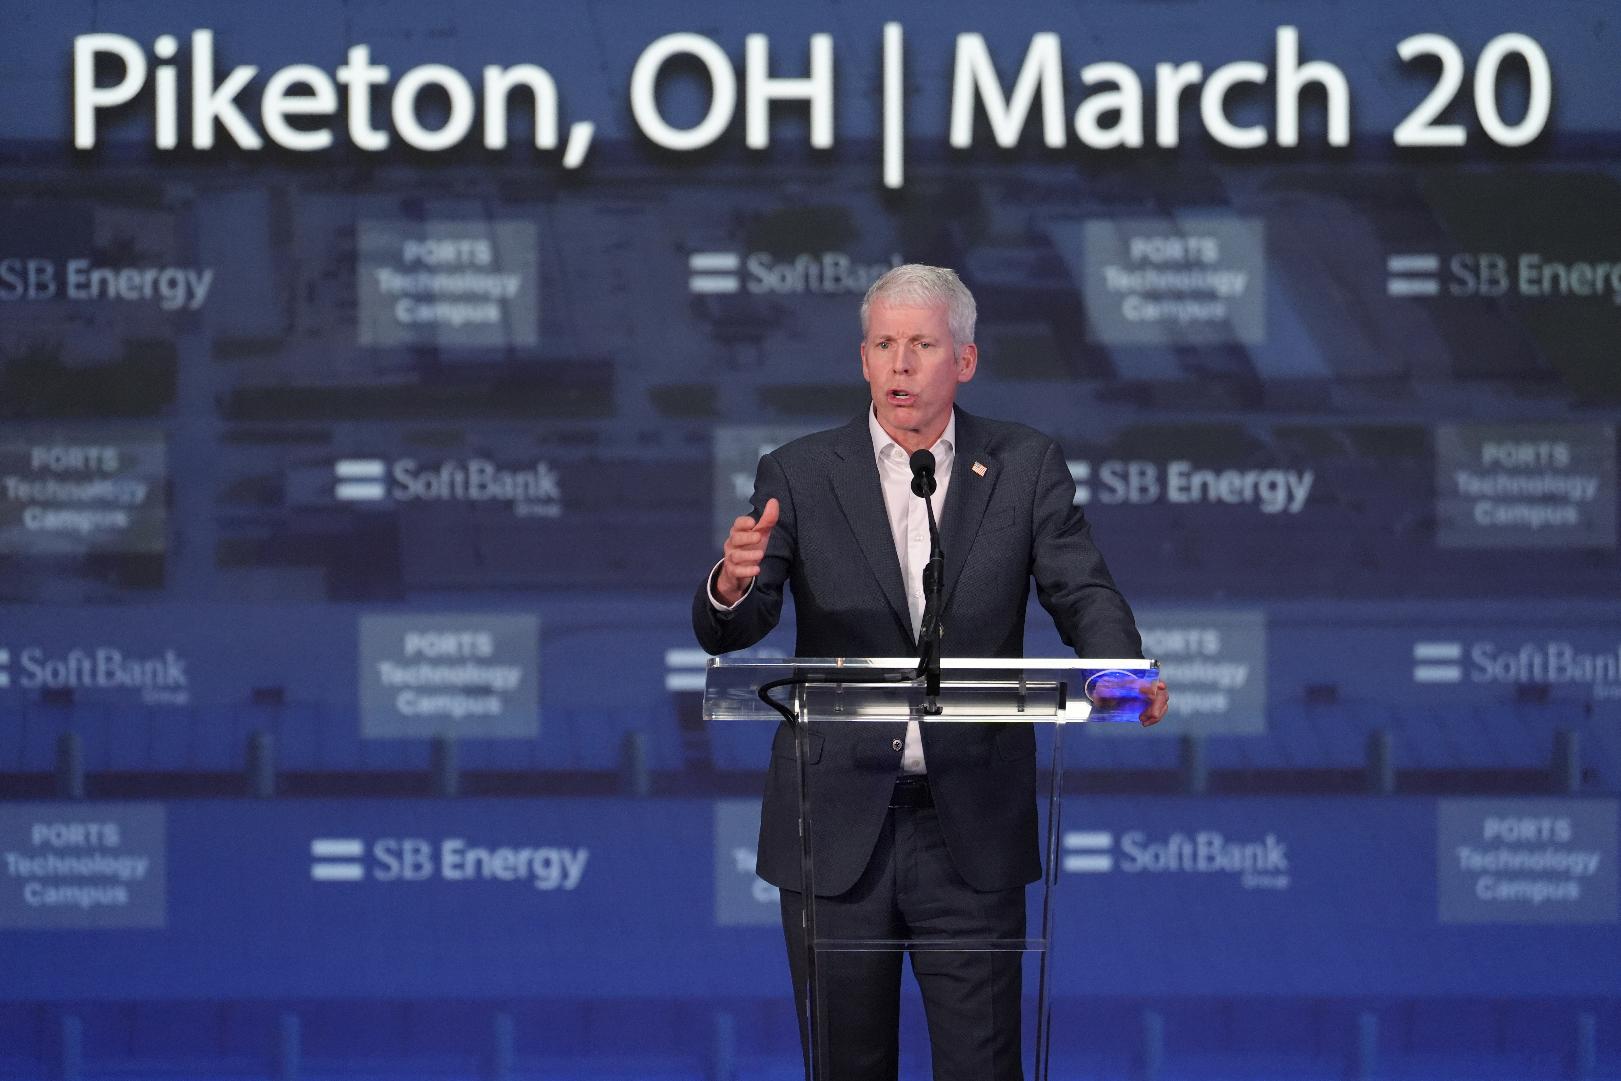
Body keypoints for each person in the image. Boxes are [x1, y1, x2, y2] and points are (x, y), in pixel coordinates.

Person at [693, 264, 1169, 1081]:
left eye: (921, 344)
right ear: (863, 359)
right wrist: (731, 584)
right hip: (835, 829)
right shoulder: (799, 472)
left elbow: (1079, 587)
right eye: (883, 344)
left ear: (967, 359)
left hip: (971, 827)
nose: (900, 364)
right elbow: (744, 618)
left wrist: (1121, 674)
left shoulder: (1021, 465)